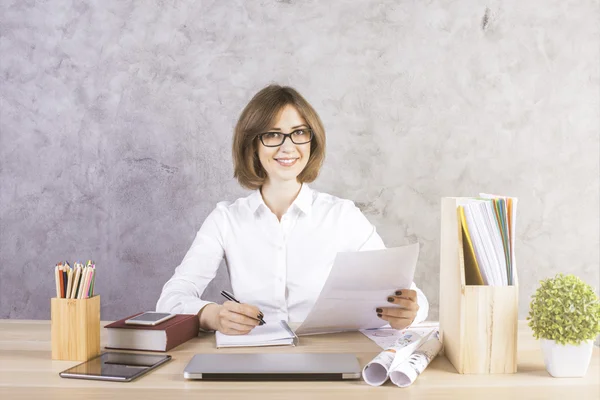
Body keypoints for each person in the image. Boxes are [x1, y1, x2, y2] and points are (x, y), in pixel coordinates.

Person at [156, 85, 429, 335]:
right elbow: (171, 299)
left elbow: (411, 296)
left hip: (329, 356)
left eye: (299, 133)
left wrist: (409, 312)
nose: (288, 147)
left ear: (312, 141)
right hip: (251, 359)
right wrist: (212, 315)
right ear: (252, 144)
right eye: (273, 134)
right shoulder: (226, 219)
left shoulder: (343, 216)